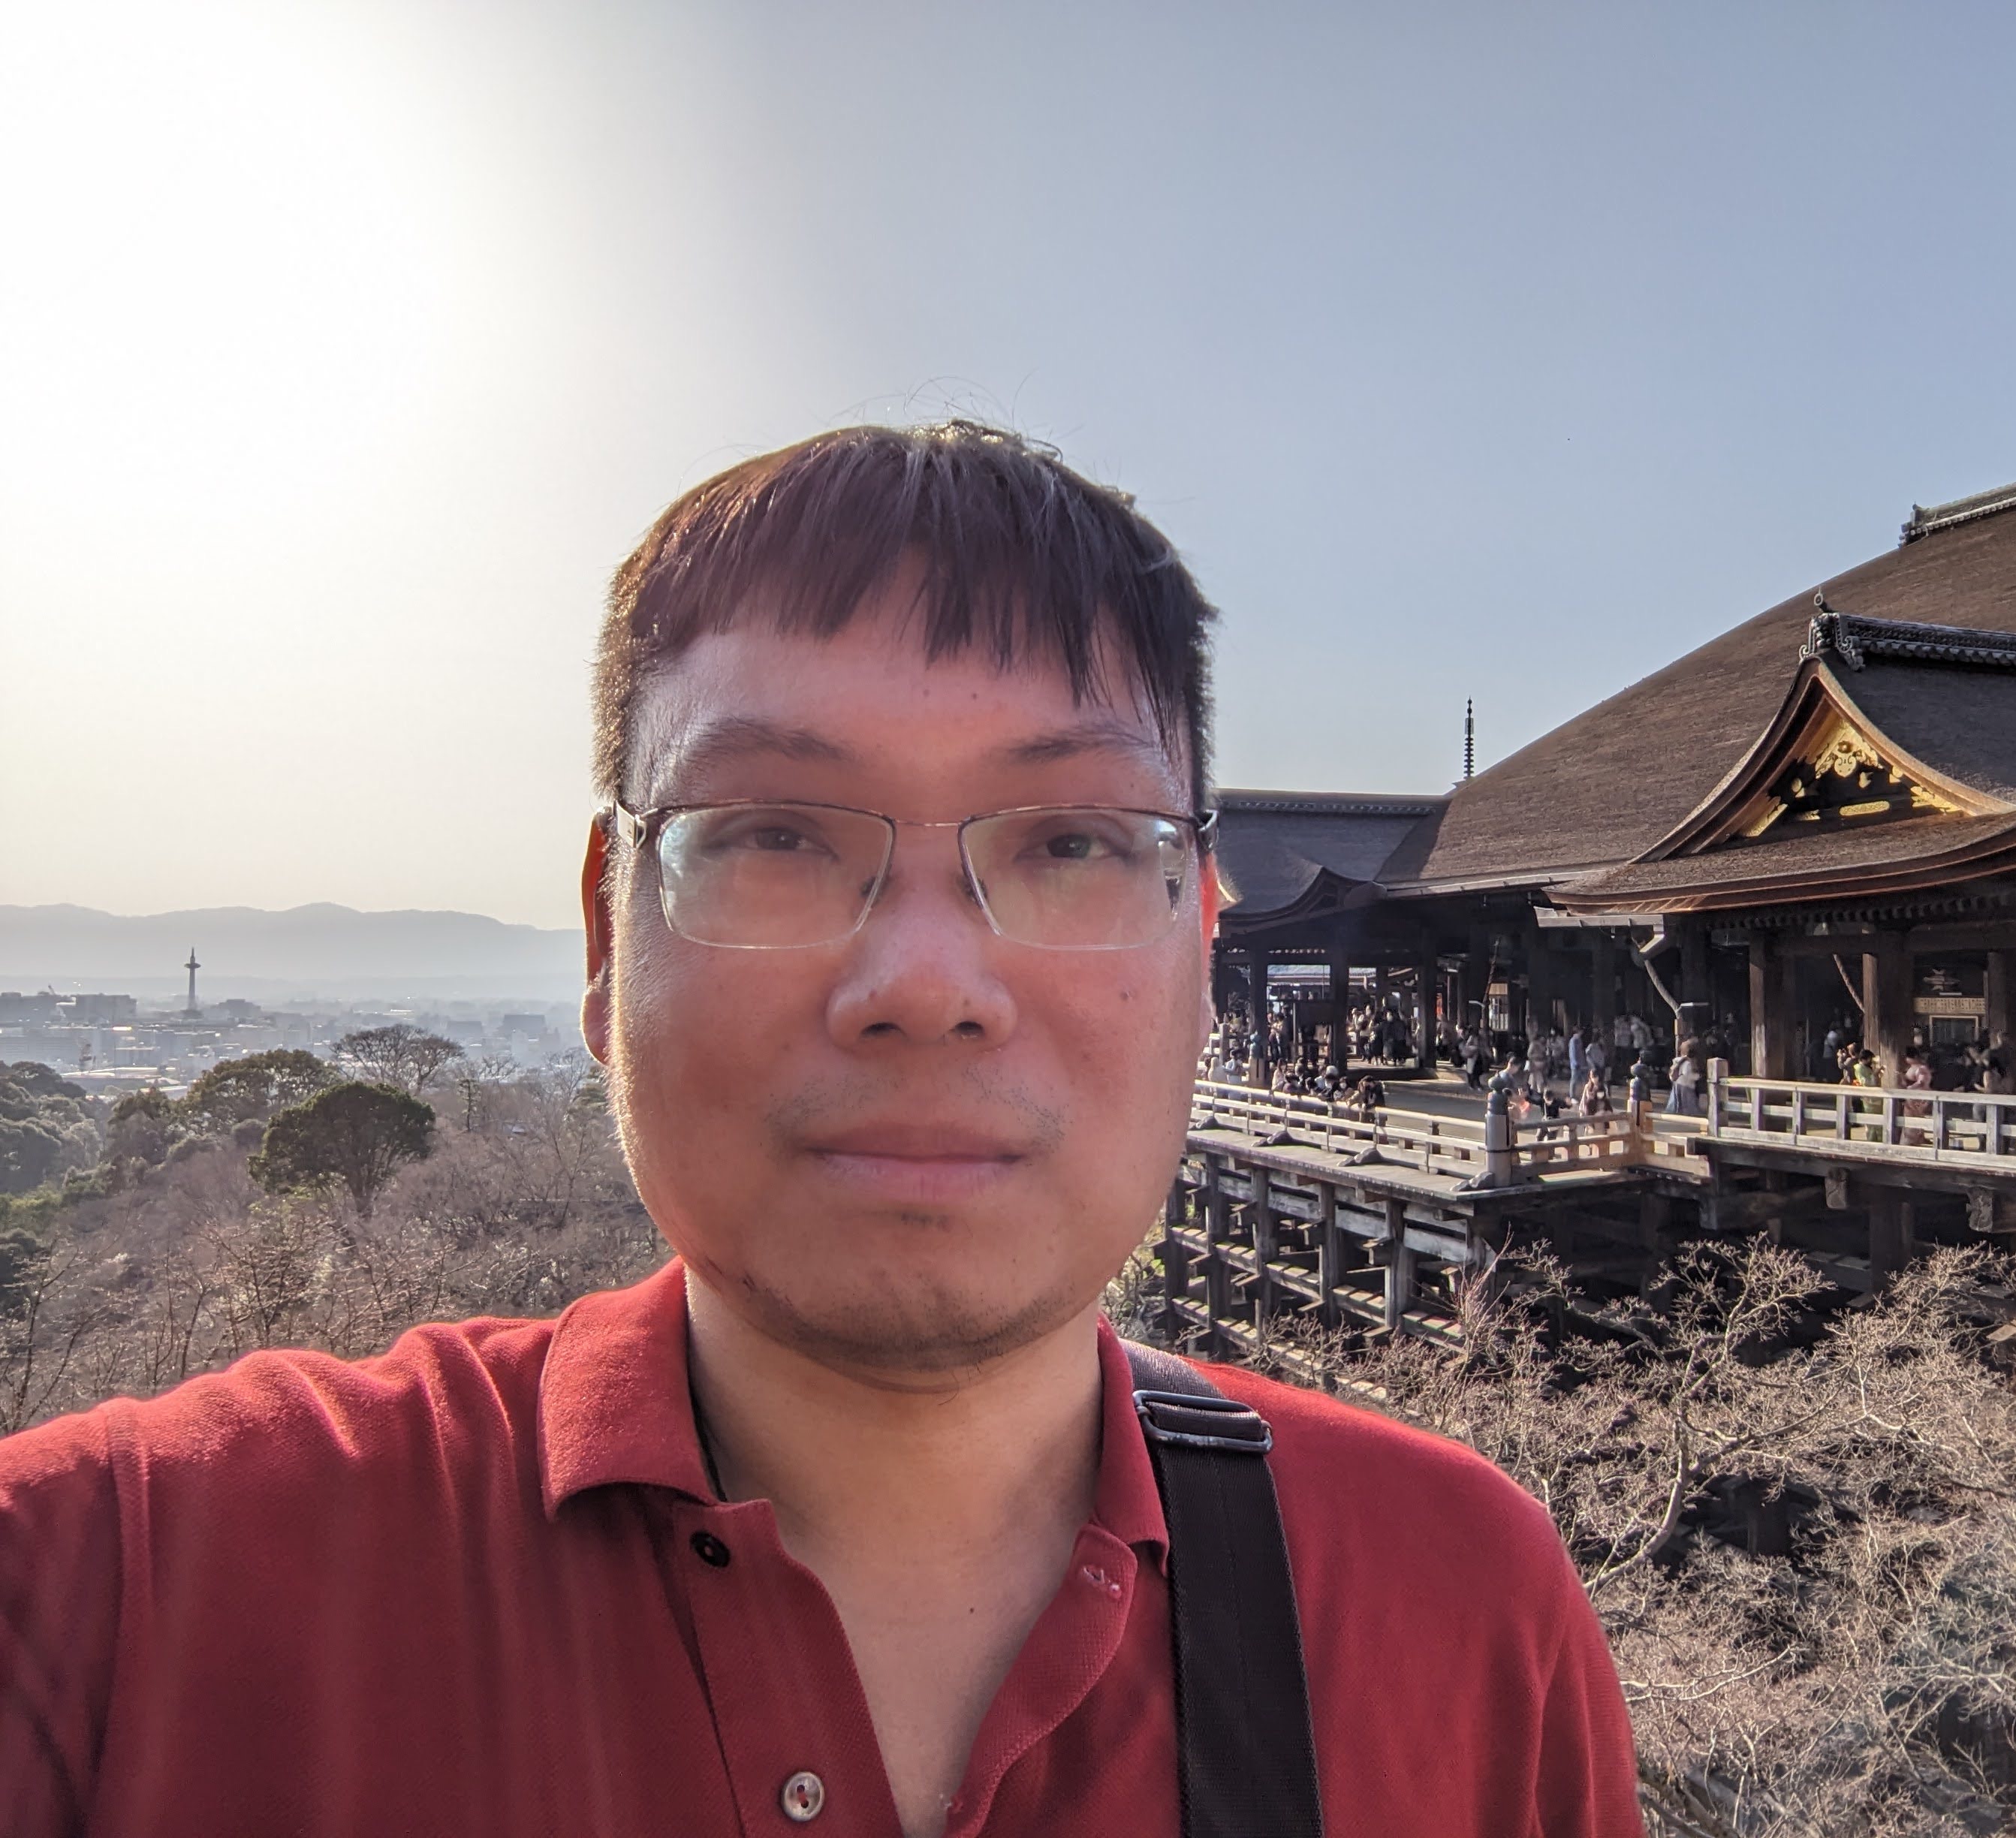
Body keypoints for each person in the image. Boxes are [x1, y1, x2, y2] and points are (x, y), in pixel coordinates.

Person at [0, 424, 1638, 1836]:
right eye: (772, 831)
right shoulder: (123, 1599)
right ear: (602, 937)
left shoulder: (1462, 1613)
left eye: (1073, 839)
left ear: (1201, 943)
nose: (925, 984)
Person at [1665, 1037, 1706, 1116]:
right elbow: (1688, 1074)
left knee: (1677, 1100)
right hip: (1686, 1085)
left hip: (1678, 1083)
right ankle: (1689, 1113)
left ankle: (1677, 1111)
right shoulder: (1687, 1063)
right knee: (1688, 1101)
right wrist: (1698, 1076)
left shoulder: (1678, 1061)